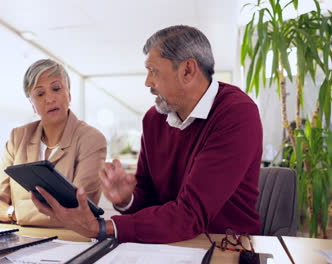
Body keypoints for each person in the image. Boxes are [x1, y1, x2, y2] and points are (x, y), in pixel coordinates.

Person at [31, 25, 263, 243]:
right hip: (167, 243)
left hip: (225, 244)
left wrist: (102, 227)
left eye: (153, 71)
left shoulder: (237, 113)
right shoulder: (154, 119)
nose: (147, 82)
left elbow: (191, 214)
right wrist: (127, 198)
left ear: (188, 70)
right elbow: (150, 199)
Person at [0, 59, 107, 232]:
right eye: (40, 94)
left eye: (56, 89)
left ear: (68, 93)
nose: (50, 98)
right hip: (22, 239)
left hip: (71, 241)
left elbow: (80, 209)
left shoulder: (91, 140)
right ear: (32, 104)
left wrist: (12, 212)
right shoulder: (19, 137)